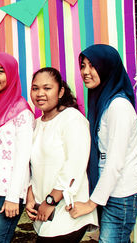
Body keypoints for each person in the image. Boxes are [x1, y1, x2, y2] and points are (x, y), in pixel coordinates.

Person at [68, 44, 137, 242]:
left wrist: (91, 203)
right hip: (108, 190)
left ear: (107, 68)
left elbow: (115, 162)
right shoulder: (102, 100)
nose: (85, 72)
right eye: (83, 66)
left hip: (122, 193)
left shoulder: (118, 107)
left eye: (92, 66)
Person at [25, 67, 98, 242]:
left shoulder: (72, 119)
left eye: (47, 88)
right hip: (43, 211)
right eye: (35, 88)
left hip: (67, 210)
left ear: (61, 91)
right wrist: (30, 198)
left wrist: (51, 201)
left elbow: (74, 166)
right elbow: (29, 166)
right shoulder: (35, 125)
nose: (40, 93)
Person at [0, 52, 34, 242]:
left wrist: (13, 197)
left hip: (7, 192)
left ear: (11, 75)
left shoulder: (21, 111)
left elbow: (23, 158)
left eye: (1, 71)